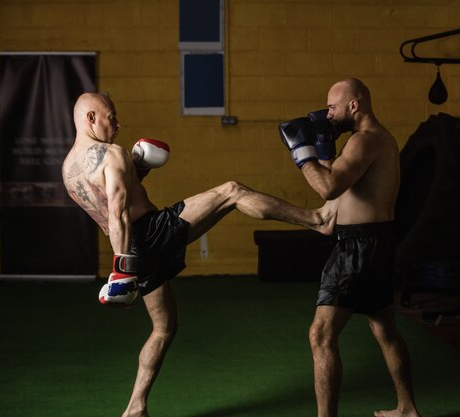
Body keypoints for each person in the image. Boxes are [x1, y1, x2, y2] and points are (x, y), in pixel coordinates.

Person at [62, 92, 338, 417]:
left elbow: (108, 206)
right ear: (91, 118)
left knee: (164, 327)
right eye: (111, 117)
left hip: (135, 250)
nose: (118, 124)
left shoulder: (68, 169)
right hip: (147, 236)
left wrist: (138, 171)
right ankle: (318, 220)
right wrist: (122, 268)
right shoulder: (111, 154)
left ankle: (135, 407)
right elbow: (119, 212)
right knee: (231, 191)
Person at [279, 78, 420, 417]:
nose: (327, 114)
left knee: (320, 335)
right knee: (385, 329)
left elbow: (327, 187)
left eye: (332, 107)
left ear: (353, 106)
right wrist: (325, 146)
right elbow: (341, 180)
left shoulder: (363, 142)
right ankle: (407, 409)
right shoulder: (380, 139)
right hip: (381, 241)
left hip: (358, 248)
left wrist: (302, 153)